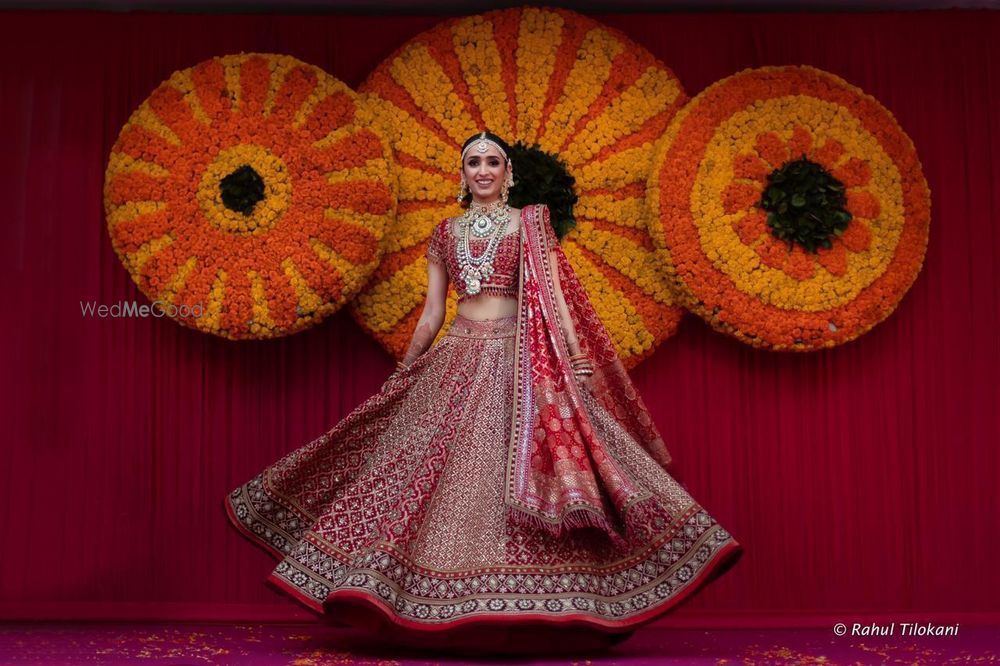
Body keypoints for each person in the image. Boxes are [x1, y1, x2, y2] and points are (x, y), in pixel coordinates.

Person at [224, 130, 743, 654]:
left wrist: (569, 351)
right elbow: (431, 313)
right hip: (458, 354)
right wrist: (406, 368)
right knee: (423, 470)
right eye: (474, 162)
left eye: (493, 162)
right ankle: (438, 597)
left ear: (508, 172)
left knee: (548, 463)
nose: (484, 171)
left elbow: (555, 297)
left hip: (523, 361)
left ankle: (554, 605)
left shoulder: (531, 224)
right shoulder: (444, 233)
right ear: (462, 173)